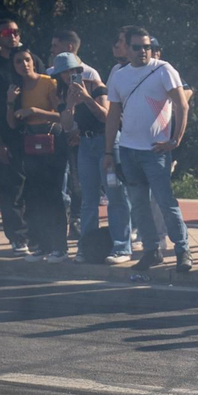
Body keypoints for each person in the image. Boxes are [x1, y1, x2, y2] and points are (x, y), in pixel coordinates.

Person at [104, 27, 192, 272]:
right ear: (127, 49)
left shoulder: (163, 69)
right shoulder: (120, 76)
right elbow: (112, 115)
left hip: (156, 151)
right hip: (129, 150)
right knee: (139, 204)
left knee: (166, 202)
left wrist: (175, 140)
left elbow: (182, 105)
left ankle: (182, 249)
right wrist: (109, 151)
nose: (143, 51)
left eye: (147, 46)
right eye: (137, 47)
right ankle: (152, 251)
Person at [51, 52, 127, 264]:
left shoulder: (95, 85)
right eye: (64, 72)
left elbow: (106, 116)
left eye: (73, 71)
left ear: (79, 70)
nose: (69, 76)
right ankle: (87, 246)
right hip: (85, 143)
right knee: (88, 200)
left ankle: (121, 246)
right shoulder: (61, 94)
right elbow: (66, 126)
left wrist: (86, 98)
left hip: (108, 140)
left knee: (116, 195)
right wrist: (70, 105)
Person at [6, 46, 71, 262]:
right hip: (30, 143)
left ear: (33, 61)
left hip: (52, 140)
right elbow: (12, 123)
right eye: (18, 61)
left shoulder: (48, 82)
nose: (24, 65)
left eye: (27, 60)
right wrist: (9, 102)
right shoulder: (16, 88)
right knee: (34, 196)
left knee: (53, 195)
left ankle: (60, 247)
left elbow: (60, 116)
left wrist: (34, 112)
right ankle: (42, 245)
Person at [0, 18, 34, 254]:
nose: (12, 35)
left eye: (15, 31)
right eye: (6, 31)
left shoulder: (31, 60)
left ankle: (36, 234)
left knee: (35, 187)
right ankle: (17, 237)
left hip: (34, 134)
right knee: (11, 189)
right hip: (6, 137)